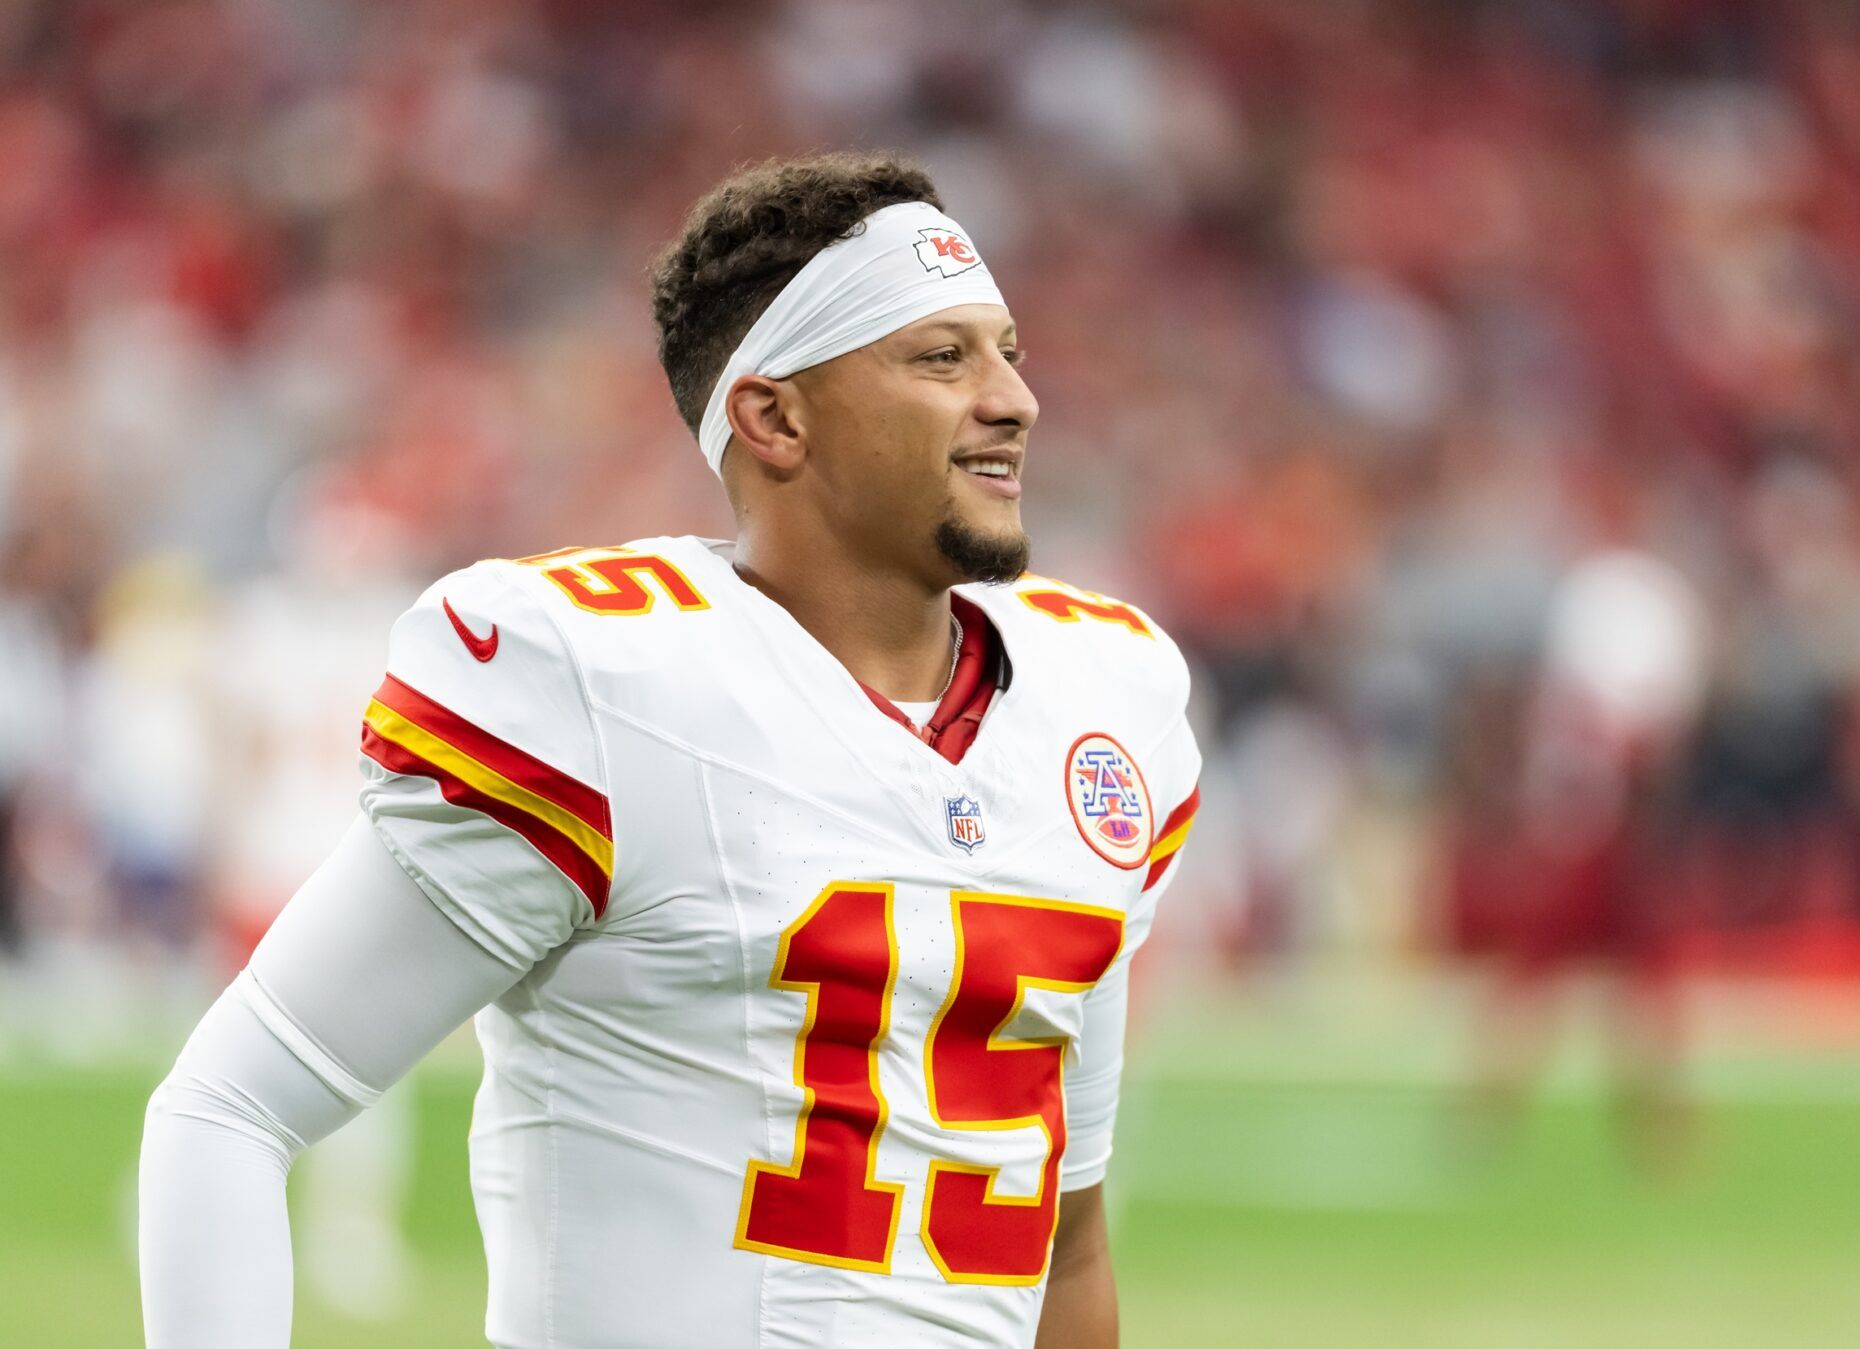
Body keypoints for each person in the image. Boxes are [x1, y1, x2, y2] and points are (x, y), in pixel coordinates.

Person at [140, 151, 1202, 1349]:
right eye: (941, 357)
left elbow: (1067, 1246)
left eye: (1007, 348)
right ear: (773, 415)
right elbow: (227, 1105)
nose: (1013, 397)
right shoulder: (599, 685)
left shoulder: (1105, 698)